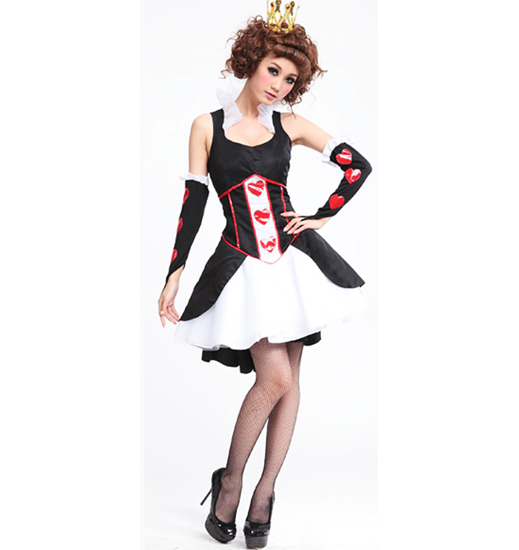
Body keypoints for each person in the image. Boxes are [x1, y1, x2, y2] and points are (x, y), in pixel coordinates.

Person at [158, 5, 372, 548]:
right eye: (273, 69)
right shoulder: (206, 126)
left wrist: (322, 214)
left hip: (293, 263)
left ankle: (264, 493)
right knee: (274, 378)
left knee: (290, 381)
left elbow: (357, 166)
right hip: (242, 265)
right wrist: (174, 274)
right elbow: (193, 204)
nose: (279, 84)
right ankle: (230, 481)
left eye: (291, 78)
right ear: (252, 61)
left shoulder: (289, 126)